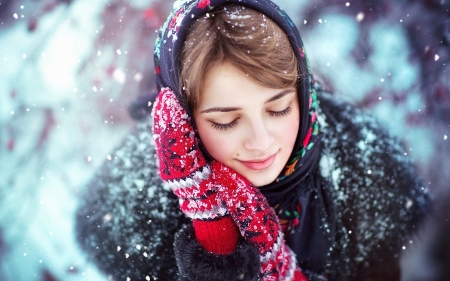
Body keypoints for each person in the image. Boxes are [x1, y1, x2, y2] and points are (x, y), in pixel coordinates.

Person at [75, 0, 430, 280]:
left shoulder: (362, 172)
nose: (261, 142)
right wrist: (212, 243)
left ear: (303, 95)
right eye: (227, 121)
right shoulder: (141, 211)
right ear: (185, 117)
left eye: (278, 109)